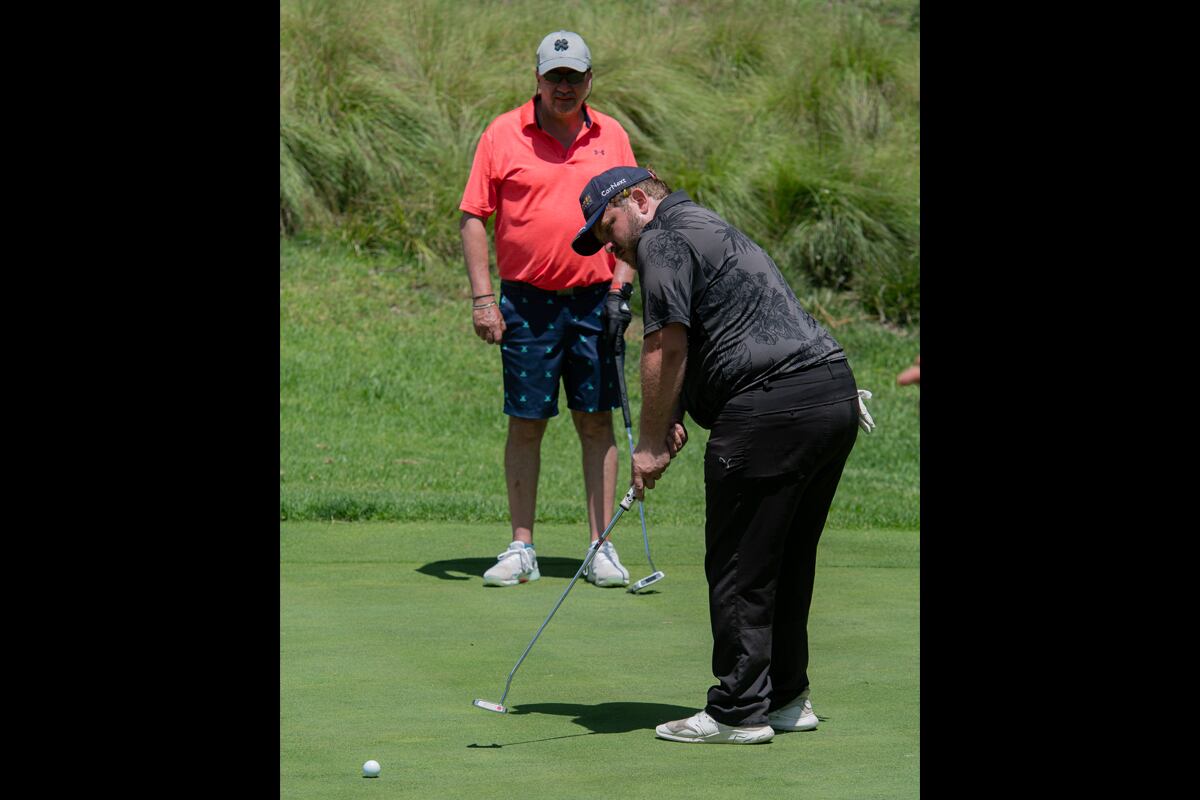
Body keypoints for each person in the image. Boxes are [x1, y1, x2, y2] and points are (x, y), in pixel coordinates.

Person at [571, 166, 866, 744]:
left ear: (635, 200)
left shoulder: (661, 239)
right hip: (830, 394)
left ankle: (737, 710)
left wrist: (651, 443)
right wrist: (676, 413)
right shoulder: (699, 222)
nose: (612, 247)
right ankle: (785, 698)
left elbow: (665, 343)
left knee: (737, 563)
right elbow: (713, 327)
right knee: (782, 559)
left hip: (771, 407)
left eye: (609, 229)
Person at [459, 31, 639, 588]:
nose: (564, 87)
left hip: (594, 301)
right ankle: (521, 546)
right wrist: (484, 299)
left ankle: (600, 548)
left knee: (595, 421)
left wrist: (620, 290)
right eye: (554, 76)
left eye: (574, 77)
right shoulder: (502, 133)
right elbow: (473, 217)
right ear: (537, 78)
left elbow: (636, 216)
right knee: (527, 421)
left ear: (589, 80)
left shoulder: (612, 134)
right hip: (526, 304)